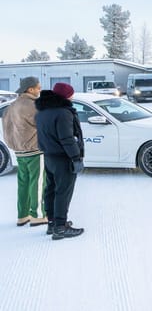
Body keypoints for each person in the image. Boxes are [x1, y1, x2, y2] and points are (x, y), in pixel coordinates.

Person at [35, 82, 84, 240]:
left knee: (51, 189)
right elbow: (67, 138)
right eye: (71, 94)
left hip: (49, 157)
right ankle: (61, 228)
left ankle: (52, 223)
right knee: (63, 191)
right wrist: (76, 157)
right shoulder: (63, 113)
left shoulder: (42, 112)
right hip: (63, 158)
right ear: (66, 96)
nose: (73, 97)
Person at [2, 76, 47, 227]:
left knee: (23, 183)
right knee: (38, 182)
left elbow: (6, 129)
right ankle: (37, 215)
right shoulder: (33, 105)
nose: (40, 90)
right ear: (30, 89)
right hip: (34, 150)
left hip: (19, 151)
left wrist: (14, 145)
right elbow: (43, 125)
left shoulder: (12, 106)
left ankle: (22, 215)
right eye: (38, 87)